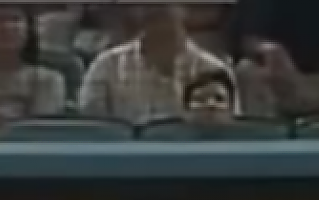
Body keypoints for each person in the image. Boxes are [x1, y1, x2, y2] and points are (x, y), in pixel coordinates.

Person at [78, 4, 235, 124]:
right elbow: (93, 130)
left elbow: (231, 132)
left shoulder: (214, 69)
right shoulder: (106, 66)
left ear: (183, 10)